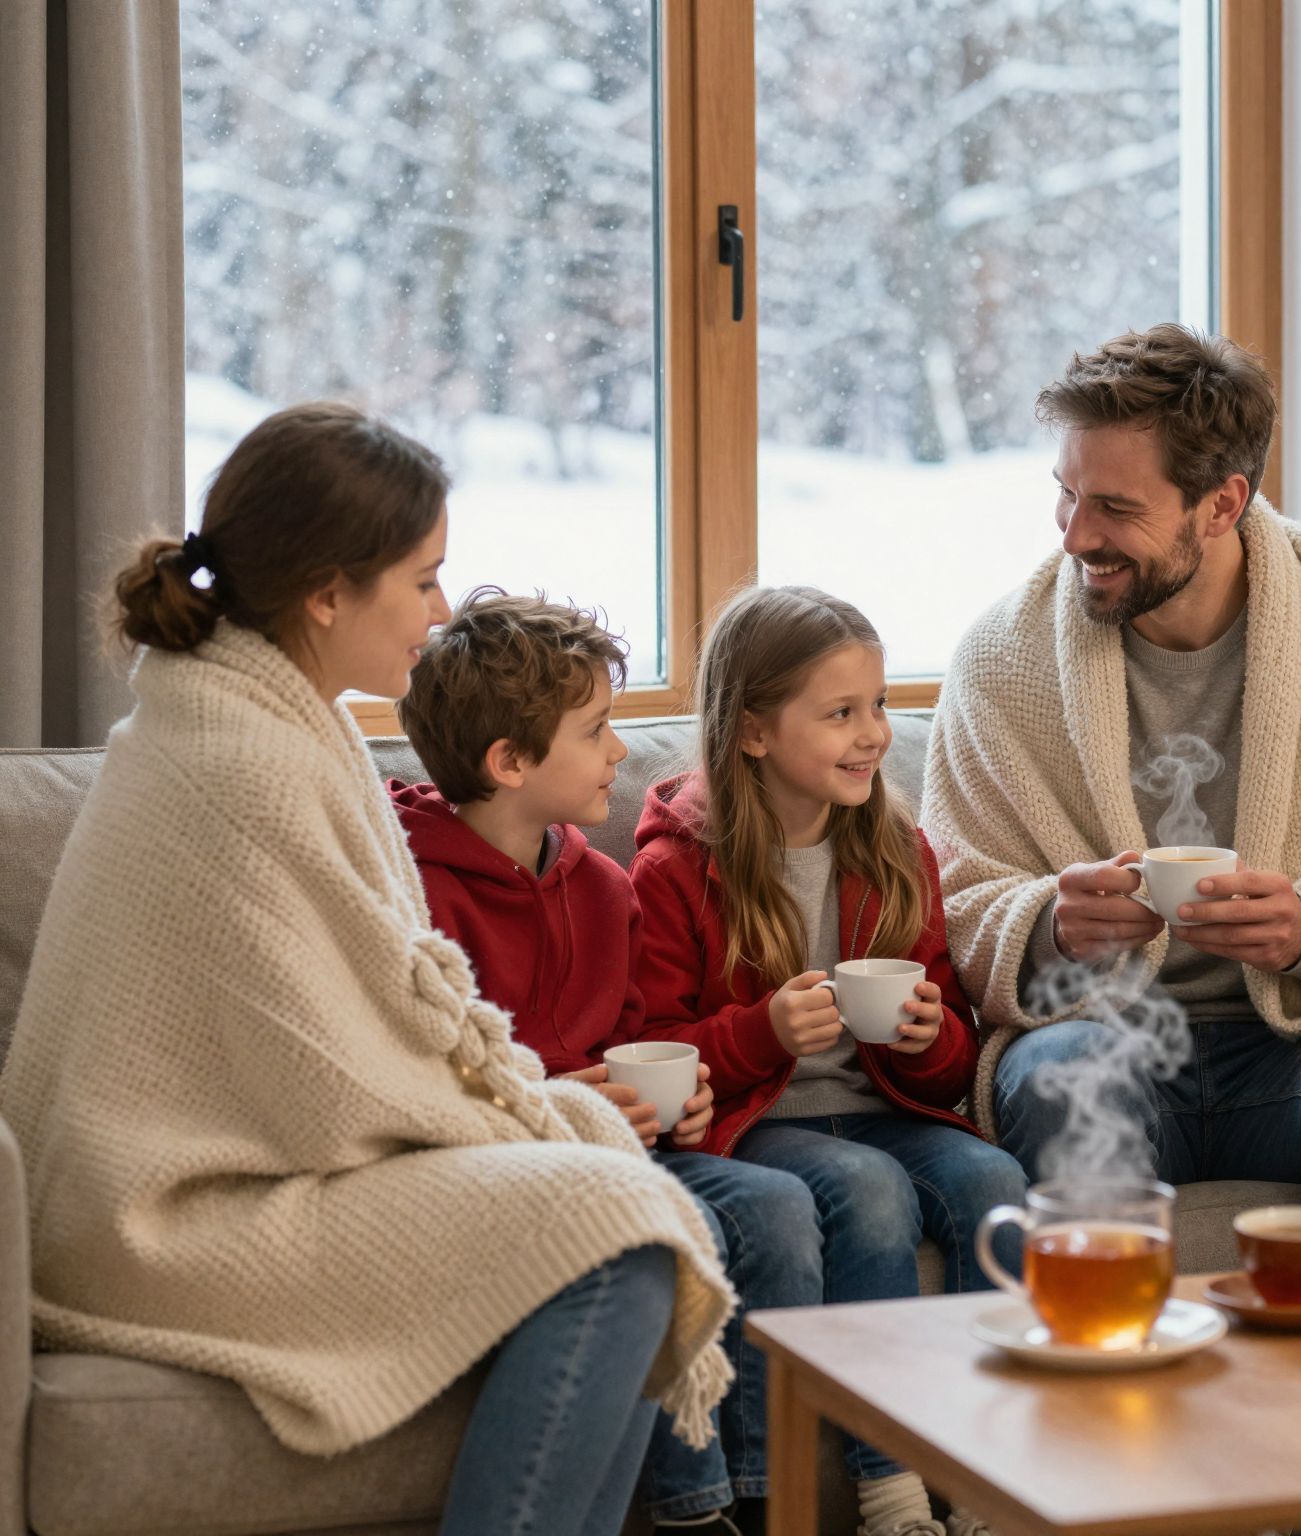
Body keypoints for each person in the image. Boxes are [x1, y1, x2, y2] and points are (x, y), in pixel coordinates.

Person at [0, 403, 734, 1536]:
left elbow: (370, 1013)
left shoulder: (274, 721)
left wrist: (540, 1111)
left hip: (225, 1182)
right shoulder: (237, 762)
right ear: (329, 591)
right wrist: (543, 1115)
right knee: (617, 1226)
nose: (439, 611)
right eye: (424, 579)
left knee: (623, 1211)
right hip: (160, 1222)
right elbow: (338, 1074)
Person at [923, 324, 1301, 1255]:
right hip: (1097, 1038)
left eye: (1112, 506)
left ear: (1222, 503)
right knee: (1065, 1078)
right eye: (1063, 496)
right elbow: (946, 903)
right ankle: (1105, 1384)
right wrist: (1050, 927)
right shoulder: (1000, 662)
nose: (1075, 536)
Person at [392, 588, 824, 1536]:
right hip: (508, 1166)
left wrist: (683, 1103)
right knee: (657, 1233)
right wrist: (560, 1103)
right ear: (509, 762)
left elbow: (633, 1041)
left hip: (623, 1150)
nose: (621, 754)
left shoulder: (603, 887)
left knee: (775, 1205)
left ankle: (770, 1498)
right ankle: (694, 1509)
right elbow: (417, 1079)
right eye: (594, 733)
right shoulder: (410, 890)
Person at [631, 584, 1026, 1536]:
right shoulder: (676, 867)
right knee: (868, 1191)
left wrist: (934, 1041)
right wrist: (761, 1031)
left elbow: (949, 1053)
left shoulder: (896, 846)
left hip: (885, 1108)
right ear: (756, 732)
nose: (875, 734)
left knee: (995, 1181)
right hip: (758, 1124)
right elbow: (651, 1042)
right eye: (841, 713)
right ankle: (890, 1485)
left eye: (881, 705)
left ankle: (985, 1471)